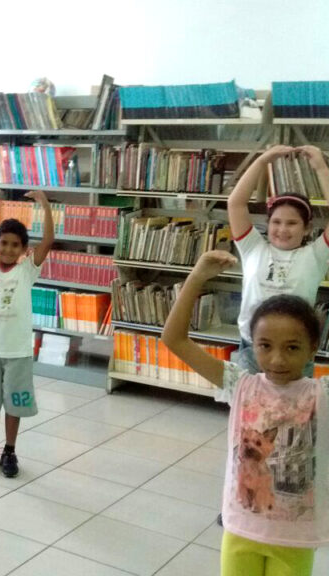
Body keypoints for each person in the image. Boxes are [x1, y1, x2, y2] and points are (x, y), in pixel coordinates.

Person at [162, 250, 329, 576]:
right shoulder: (240, 384)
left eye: (292, 347)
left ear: (312, 349)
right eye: (265, 346)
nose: (278, 359)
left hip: (294, 538)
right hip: (240, 529)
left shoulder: (321, 395)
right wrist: (197, 276)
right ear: (252, 345)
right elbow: (174, 339)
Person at [0, 188, 54, 477]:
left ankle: (10, 450)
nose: (8, 249)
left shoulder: (28, 270)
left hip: (17, 353)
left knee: (13, 403)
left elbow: (49, 241)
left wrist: (44, 205)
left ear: (24, 250)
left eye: (15, 245)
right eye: (3, 243)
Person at [229, 145, 329, 376]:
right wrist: (262, 160)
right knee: (249, 411)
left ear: (307, 229)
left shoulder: (314, 255)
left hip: (296, 350)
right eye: (276, 222)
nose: (282, 229)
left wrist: (321, 167)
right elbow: (236, 203)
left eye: (292, 223)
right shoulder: (253, 248)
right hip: (252, 349)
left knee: (294, 411)